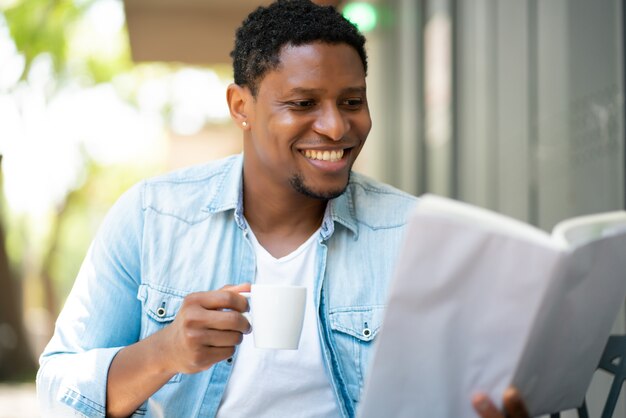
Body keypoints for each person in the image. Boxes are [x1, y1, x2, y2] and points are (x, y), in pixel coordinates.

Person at [36, 1, 529, 417]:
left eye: (352, 101)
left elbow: (465, 388)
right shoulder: (153, 218)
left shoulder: (416, 233)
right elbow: (58, 387)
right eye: (303, 103)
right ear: (240, 107)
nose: (336, 127)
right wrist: (164, 352)